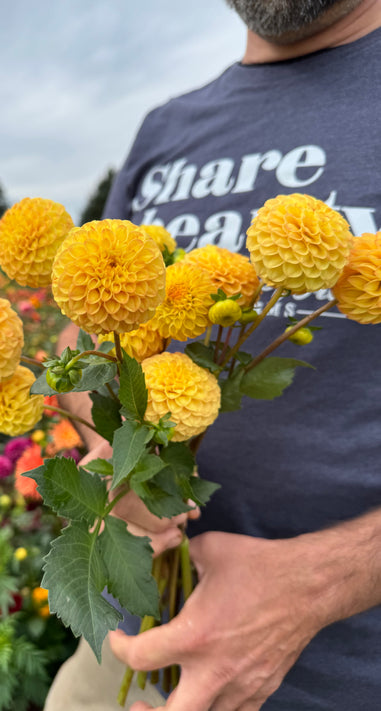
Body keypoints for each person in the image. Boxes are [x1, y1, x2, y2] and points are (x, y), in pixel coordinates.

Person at [44, 1, 381, 709]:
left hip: (339, 677)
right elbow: (79, 337)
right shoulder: (164, 128)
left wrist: (323, 581)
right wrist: (111, 436)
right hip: (122, 655)